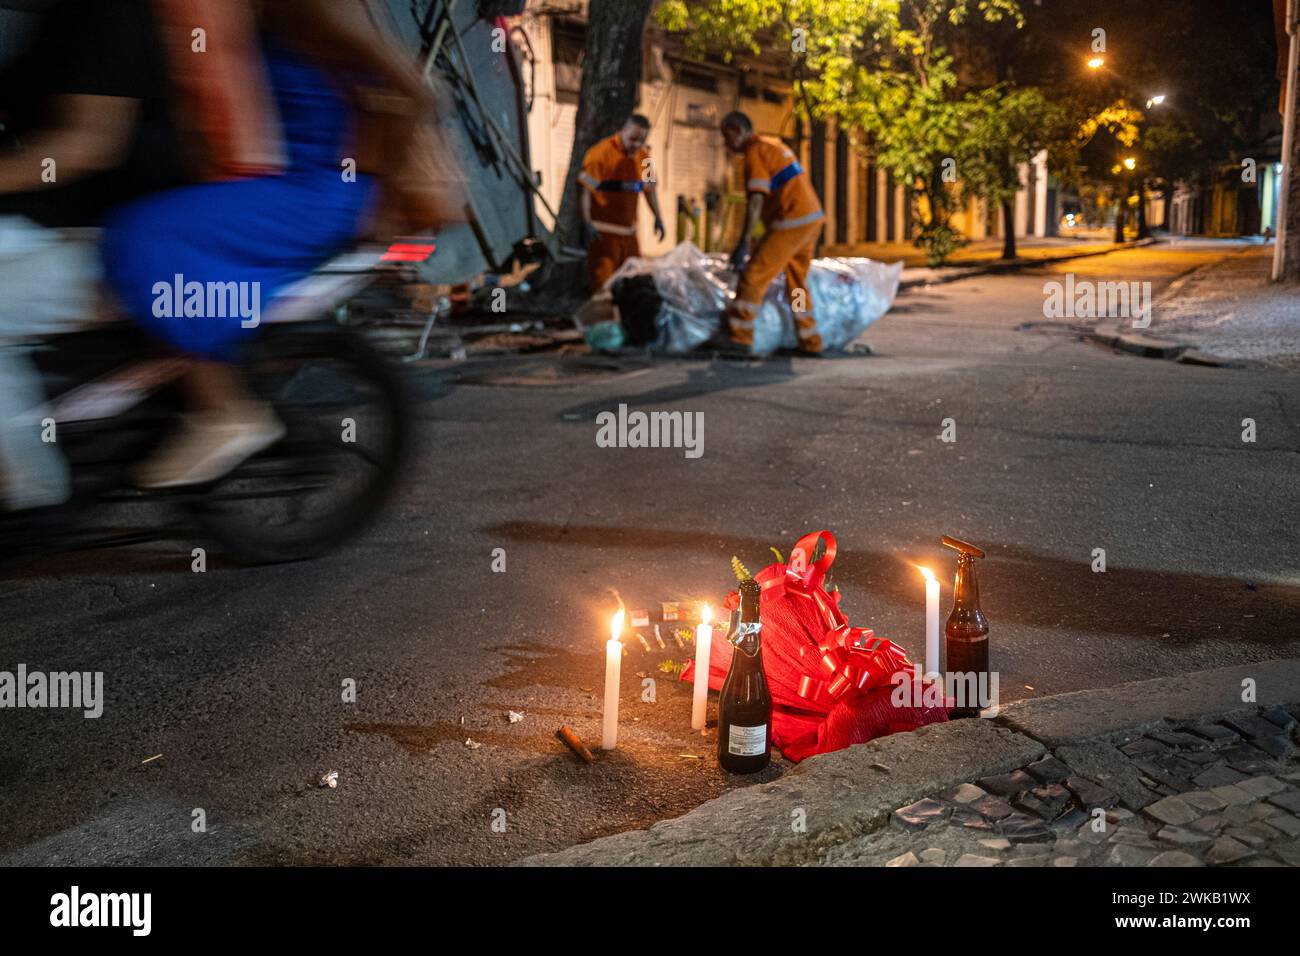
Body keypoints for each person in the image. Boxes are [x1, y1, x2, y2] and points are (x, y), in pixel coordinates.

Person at [102, 0, 431, 489]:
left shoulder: (313, 7)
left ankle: (224, 407)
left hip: (317, 194)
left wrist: (378, 191)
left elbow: (418, 94)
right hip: (281, 186)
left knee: (143, 234)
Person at [0, 0, 187, 512]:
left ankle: (29, 491)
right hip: (48, 222)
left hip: (106, 235)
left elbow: (87, 144)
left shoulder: (102, 12)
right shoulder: (43, 19)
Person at [720, 111, 825, 354]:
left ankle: (740, 336)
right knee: (797, 282)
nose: (726, 144)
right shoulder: (774, 145)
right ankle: (809, 339)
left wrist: (743, 242)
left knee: (754, 275)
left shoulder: (755, 152)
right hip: (810, 218)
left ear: (737, 131)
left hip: (791, 220)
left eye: (726, 138)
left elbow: (757, 198)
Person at [577, 114, 666, 293]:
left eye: (641, 141)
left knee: (633, 286)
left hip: (629, 236)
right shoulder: (600, 154)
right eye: (632, 139)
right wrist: (586, 222)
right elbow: (585, 191)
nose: (636, 145)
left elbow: (650, 191)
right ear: (622, 132)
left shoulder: (645, 158)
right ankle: (603, 319)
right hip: (604, 236)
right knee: (603, 288)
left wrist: (658, 218)